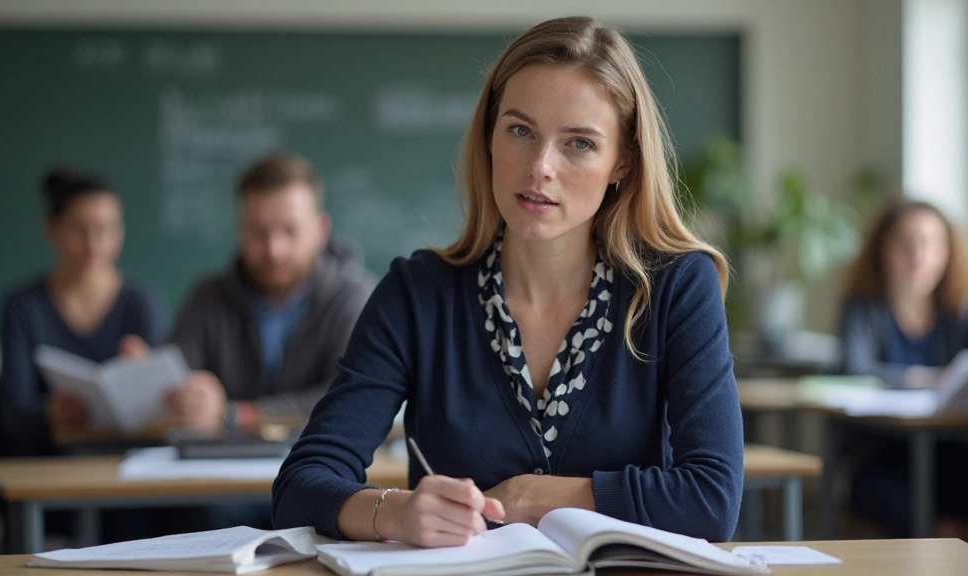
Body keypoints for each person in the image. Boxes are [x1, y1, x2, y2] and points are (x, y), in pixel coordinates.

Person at [272, 16, 743, 547]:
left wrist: (531, 497)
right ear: (490, 137)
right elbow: (301, 487)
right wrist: (394, 512)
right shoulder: (419, 293)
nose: (540, 166)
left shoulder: (676, 286)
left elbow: (712, 500)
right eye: (520, 130)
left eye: (580, 144)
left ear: (623, 163)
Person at [840, 199, 968, 554]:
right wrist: (921, 377)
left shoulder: (962, 306)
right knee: (939, 529)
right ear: (882, 250)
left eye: (931, 243)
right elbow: (854, 369)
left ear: (947, 253)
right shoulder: (864, 307)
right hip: (882, 458)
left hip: (952, 453)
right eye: (906, 242)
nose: (919, 255)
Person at [167, 152, 377, 433]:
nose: (274, 250)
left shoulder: (356, 298)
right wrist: (162, 385)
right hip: (218, 469)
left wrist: (236, 414)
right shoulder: (207, 297)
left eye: (290, 231)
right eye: (258, 232)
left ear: (320, 230)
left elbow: (352, 396)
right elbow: (178, 378)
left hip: (321, 463)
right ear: (239, 230)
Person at [0, 166, 164, 458]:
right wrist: (50, 411)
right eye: (79, 229)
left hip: (127, 463)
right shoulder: (23, 306)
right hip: (46, 462)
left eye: (107, 229)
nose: (94, 244)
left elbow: (164, 410)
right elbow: (13, 410)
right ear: (51, 229)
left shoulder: (141, 302)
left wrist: (146, 380)